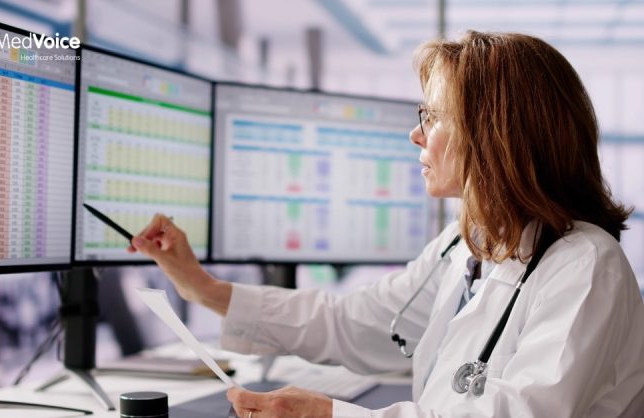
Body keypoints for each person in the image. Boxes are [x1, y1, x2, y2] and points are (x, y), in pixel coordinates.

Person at [128, 31, 644, 417]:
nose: (415, 135)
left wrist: (331, 414)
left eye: (434, 117)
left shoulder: (586, 267)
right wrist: (200, 286)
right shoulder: (467, 247)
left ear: (494, 136)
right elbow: (353, 321)